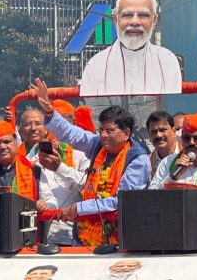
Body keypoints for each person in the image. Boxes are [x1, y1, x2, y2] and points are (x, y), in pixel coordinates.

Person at [32, 79, 151, 247]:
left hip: (120, 239)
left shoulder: (138, 160)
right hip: (84, 234)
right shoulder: (98, 144)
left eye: (109, 131)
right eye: (101, 130)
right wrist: (49, 110)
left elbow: (122, 201)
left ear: (126, 133)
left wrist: (80, 208)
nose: (103, 135)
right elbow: (71, 133)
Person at [79, 0, 181, 96]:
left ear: (154, 20)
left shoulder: (167, 62)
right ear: (116, 20)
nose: (135, 22)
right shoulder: (95, 65)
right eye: (127, 15)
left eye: (143, 15)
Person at [20, 104, 90, 246]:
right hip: (45, 236)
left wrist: (59, 168)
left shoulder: (81, 152)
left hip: (77, 233)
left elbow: (89, 186)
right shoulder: (31, 158)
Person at [146, 111, 181, 178]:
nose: (158, 135)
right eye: (154, 132)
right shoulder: (146, 164)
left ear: (174, 132)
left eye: (163, 130)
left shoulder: (188, 157)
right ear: (149, 136)